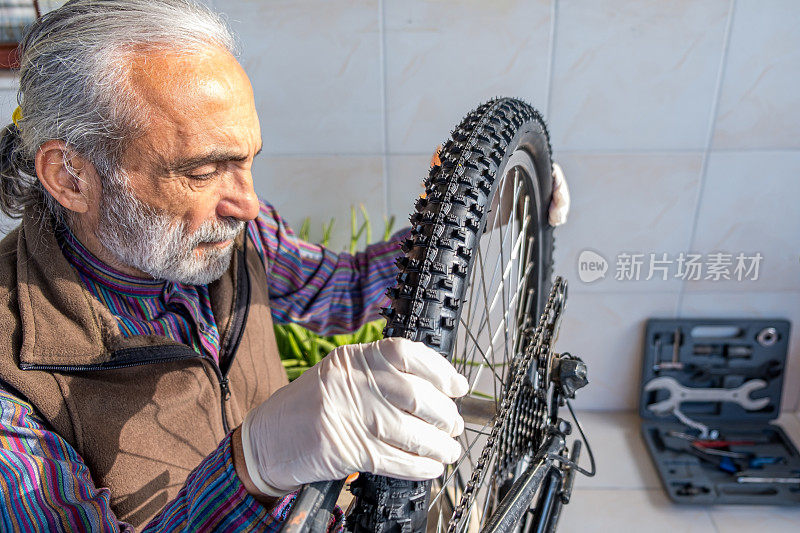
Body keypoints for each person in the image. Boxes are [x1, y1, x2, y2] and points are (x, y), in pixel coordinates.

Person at [0, 0, 570, 531]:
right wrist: (254, 463)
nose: (246, 202)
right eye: (203, 172)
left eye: (248, 160)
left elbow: (342, 290)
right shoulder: (10, 379)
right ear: (70, 176)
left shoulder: (229, 231)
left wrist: (480, 213)